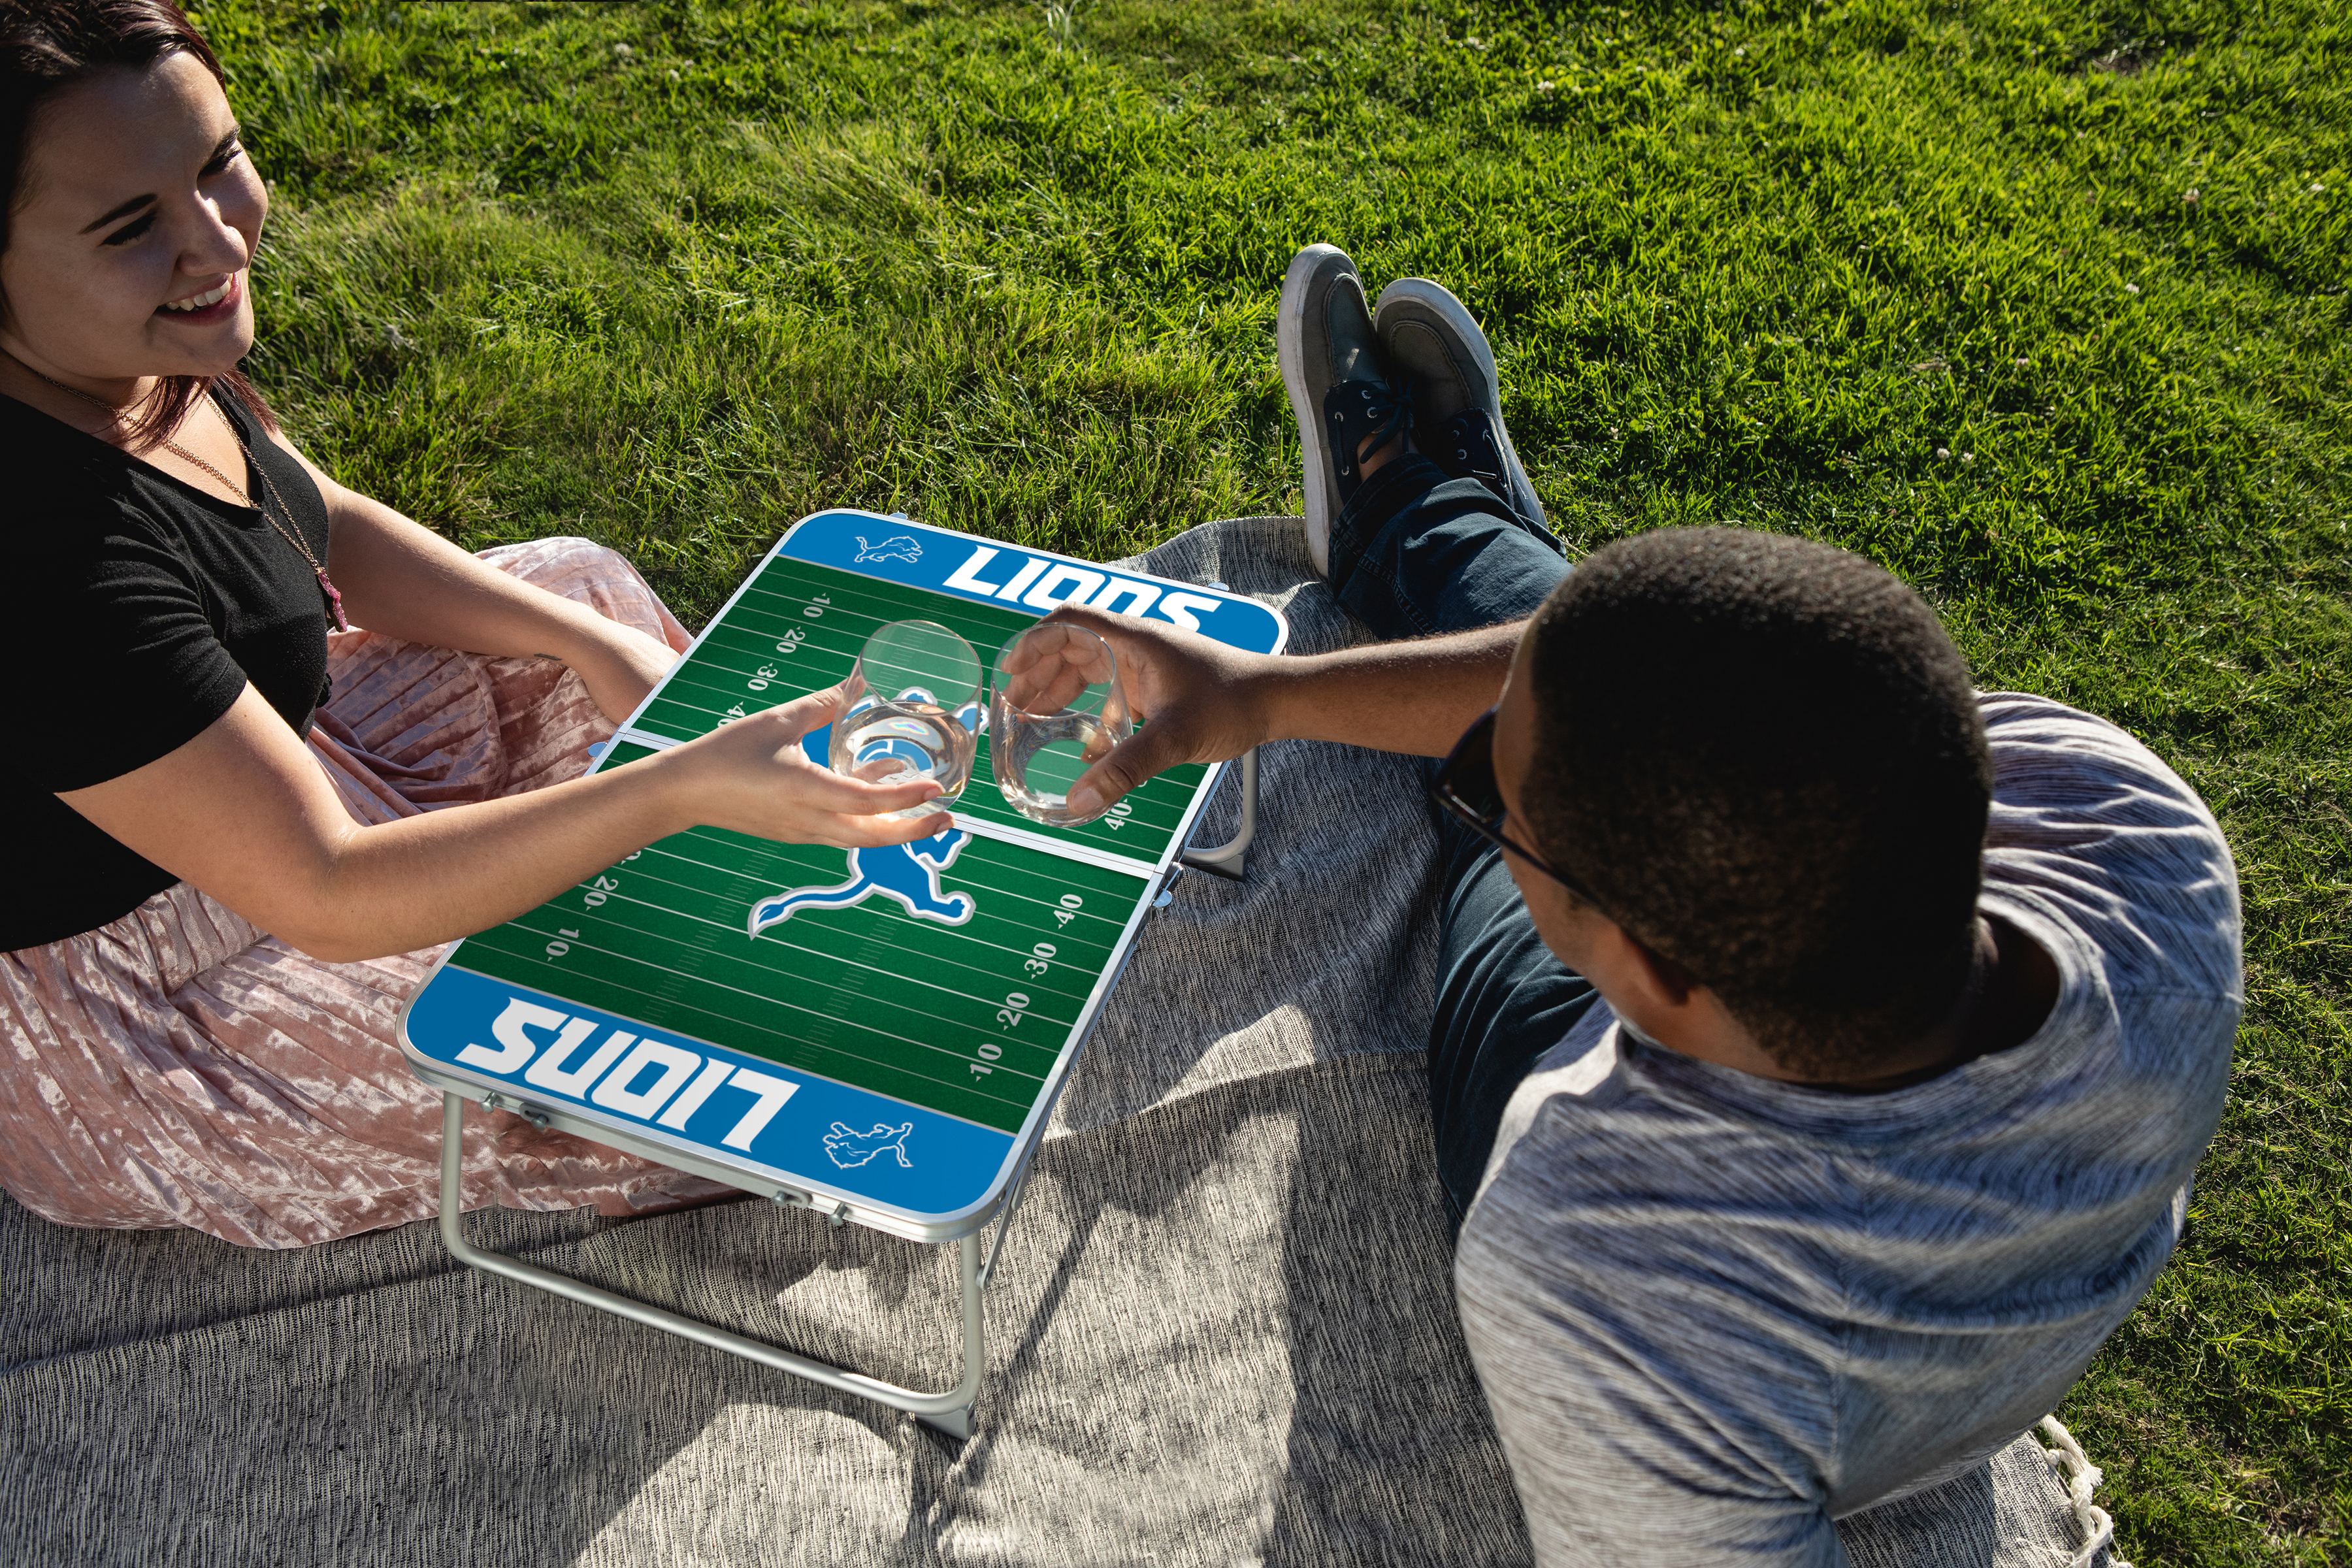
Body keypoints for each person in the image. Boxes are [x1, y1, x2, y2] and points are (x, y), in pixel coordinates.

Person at [1047, 243, 2240, 1564]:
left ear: (1644, 970)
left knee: (1544, 749)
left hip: (1571, 1075)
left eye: (1496, 809)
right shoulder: (2133, 825)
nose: (1479, 804)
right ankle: (1444, 525)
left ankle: (1428, 520)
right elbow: (1707, 693)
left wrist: (1429, 748)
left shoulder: (1602, 1262)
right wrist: (1259, 698)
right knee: (1625, 670)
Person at [0, 0, 950, 1248]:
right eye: (133, 226)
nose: (217, 236)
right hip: (163, 1003)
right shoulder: (41, 553)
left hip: (287, 773)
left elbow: (313, 521)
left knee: (574, 587)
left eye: (218, 161)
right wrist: (670, 791)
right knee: (658, 1047)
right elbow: (327, 891)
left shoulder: (122, 355)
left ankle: (731, 831)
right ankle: (734, 869)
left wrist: (590, 646)